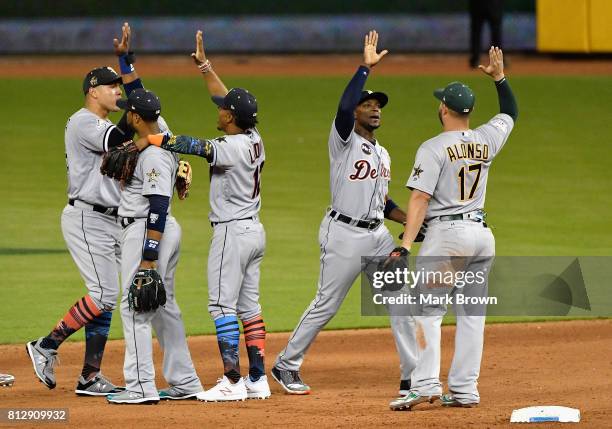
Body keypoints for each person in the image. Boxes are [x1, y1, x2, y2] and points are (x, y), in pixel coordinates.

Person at [270, 31, 418, 396]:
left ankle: (413, 375)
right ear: (355, 112)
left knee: (400, 301)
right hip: (343, 235)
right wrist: (364, 69)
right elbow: (341, 108)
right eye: (368, 104)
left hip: (378, 237)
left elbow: (382, 202)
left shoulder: (382, 154)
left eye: (378, 105)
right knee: (327, 304)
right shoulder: (343, 141)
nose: (375, 108)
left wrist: (410, 221)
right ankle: (285, 364)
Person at [388, 46, 517, 411]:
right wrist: (500, 79)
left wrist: (407, 243)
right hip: (482, 237)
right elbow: (510, 112)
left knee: (425, 310)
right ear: (469, 112)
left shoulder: (433, 147)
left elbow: (418, 200)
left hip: (449, 237)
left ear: (444, 108)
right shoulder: (486, 139)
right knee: (472, 316)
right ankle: (464, 390)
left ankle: (425, 383)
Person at [145, 30, 269, 402]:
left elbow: (187, 144)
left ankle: (232, 381)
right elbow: (223, 95)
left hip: (232, 234)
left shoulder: (229, 147)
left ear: (230, 117)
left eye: (223, 109)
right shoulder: (254, 137)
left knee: (221, 306)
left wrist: (148, 140)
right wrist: (205, 67)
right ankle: (257, 379)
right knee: (250, 307)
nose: (218, 109)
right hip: (255, 232)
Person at [25, 23, 138, 396]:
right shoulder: (84, 122)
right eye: (113, 86)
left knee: (103, 300)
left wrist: (126, 66)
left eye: (119, 87)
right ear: (94, 91)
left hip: (111, 219)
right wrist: (137, 101)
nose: (117, 92)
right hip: (88, 217)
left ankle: (90, 376)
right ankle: (46, 344)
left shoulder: (99, 122)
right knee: (104, 295)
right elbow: (122, 137)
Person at [105, 88, 204, 405]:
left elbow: (158, 206)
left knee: (135, 307)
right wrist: (126, 61)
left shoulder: (152, 155)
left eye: (127, 112)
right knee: (164, 308)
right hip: (162, 229)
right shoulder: (164, 133)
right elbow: (142, 99)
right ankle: (185, 380)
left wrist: (148, 258)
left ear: (135, 117)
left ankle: (139, 386)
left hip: (148, 229)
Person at [469, 0, 504, 68]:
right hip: (490, 5)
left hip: (482, 5)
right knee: (494, 33)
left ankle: (475, 60)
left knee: (494, 33)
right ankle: (497, 60)